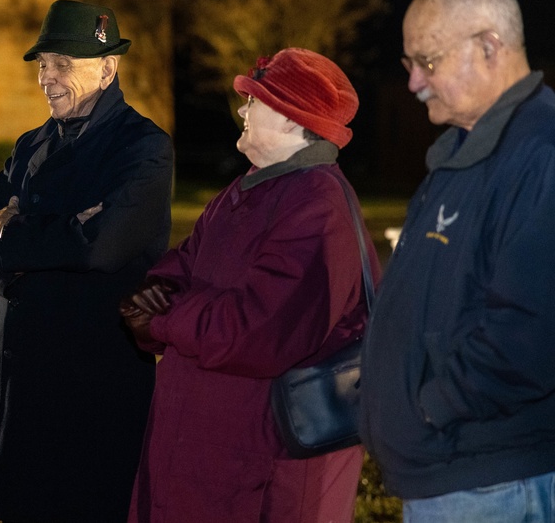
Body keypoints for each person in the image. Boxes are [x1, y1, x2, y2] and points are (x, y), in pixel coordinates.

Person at [121, 48, 377, 522]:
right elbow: (180, 269)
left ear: (290, 118)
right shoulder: (246, 190)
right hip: (203, 465)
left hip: (261, 476)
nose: (242, 109)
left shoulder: (319, 207)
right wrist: (148, 301)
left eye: (254, 101)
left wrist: (164, 317)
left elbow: (258, 330)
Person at [0, 0, 174, 522]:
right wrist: (61, 236)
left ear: (107, 68)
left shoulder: (142, 147)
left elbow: (102, 246)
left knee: (86, 502)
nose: (47, 78)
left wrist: (18, 225)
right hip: (16, 378)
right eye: (42, 65)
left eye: (62, 65)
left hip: (90, 381)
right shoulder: (30, 144)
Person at [359, 0, 555, 522]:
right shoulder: (467, 151)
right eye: (407, 67)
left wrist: (429, 407)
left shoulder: (540, 155)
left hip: (490, 479)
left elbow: (530, 337)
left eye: (428, 61)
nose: (415, 83)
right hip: (459, 472)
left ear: (489, 46)